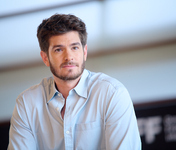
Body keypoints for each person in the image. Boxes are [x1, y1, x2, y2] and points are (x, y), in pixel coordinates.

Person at [8, 14, 141, 150]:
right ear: (45, 57)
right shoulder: (27, 104)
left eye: (75, 47)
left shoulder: (112, 94)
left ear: (84, 52)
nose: (68, 57)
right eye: (59, 50)